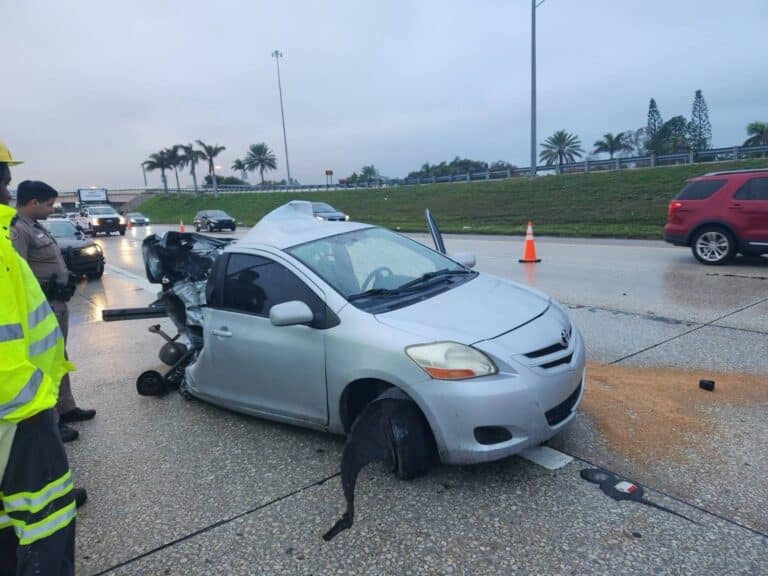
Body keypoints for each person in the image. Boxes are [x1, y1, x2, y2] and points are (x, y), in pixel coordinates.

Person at [0, 143, 78, 575]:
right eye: (4, 177)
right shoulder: (11, 238)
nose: (7, 186)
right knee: (47, 519)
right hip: (19, 409)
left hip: (28, 398)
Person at [12, 180, 96, 443]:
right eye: (49, 205)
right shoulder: (17, 230)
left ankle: (65, 407)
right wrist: (48, 290)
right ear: (33, 202)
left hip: (56, 305)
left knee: (59, 356)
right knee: (44, 363)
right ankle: (51, 422)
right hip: (41, 309)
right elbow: (17, 273)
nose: (52, 209)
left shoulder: (35, 226)